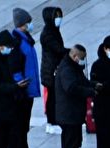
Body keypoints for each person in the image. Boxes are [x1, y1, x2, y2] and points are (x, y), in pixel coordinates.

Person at [55, 45, 99, 148]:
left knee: (74, 145)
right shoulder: (67, 69)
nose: (83, 61)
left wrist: (93, 85)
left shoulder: (72, 67)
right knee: (70, 146)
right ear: (75, 57)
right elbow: (71, 88)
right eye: (82, 58)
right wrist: (90, 92)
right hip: (68, 114)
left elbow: (82, 82)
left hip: (72, 113)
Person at [7, 8, 43, 148]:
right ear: (22, 24)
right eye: (28, 22)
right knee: (17, 125)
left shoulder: (26, 39)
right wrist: (19, 84)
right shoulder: (16, 42)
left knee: (24, 125)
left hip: (27, 89)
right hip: (21, 91)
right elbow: (14, 67)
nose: (31, 24)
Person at [40, 6, 67, 135]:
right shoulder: (48, 34)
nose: (58, 19)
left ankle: (55, 121)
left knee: (54, 97)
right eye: (56, 16)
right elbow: (58, 49)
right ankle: (51, 122)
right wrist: (72, 52)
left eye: (59, 16)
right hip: (50, 71)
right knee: (52, 98)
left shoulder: (54, 31)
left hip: (54, 68)